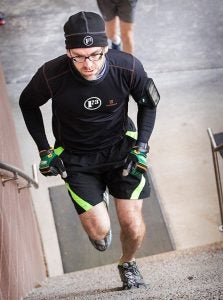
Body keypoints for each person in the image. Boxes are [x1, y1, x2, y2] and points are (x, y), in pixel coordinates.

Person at [19, 11, 160, 290]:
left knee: (131, 223)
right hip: (76, 155)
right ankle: (98, 204)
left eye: (96, 54)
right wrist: (45, 151)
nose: (89, 64)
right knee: (99, 231)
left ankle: (128, 263)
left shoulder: (128, 67)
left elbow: (149, 103)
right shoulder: (52, 74)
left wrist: (141, 146)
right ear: (68, 51)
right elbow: (27, 103)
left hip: (121, 149)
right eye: (79, 56)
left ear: (106, 48)